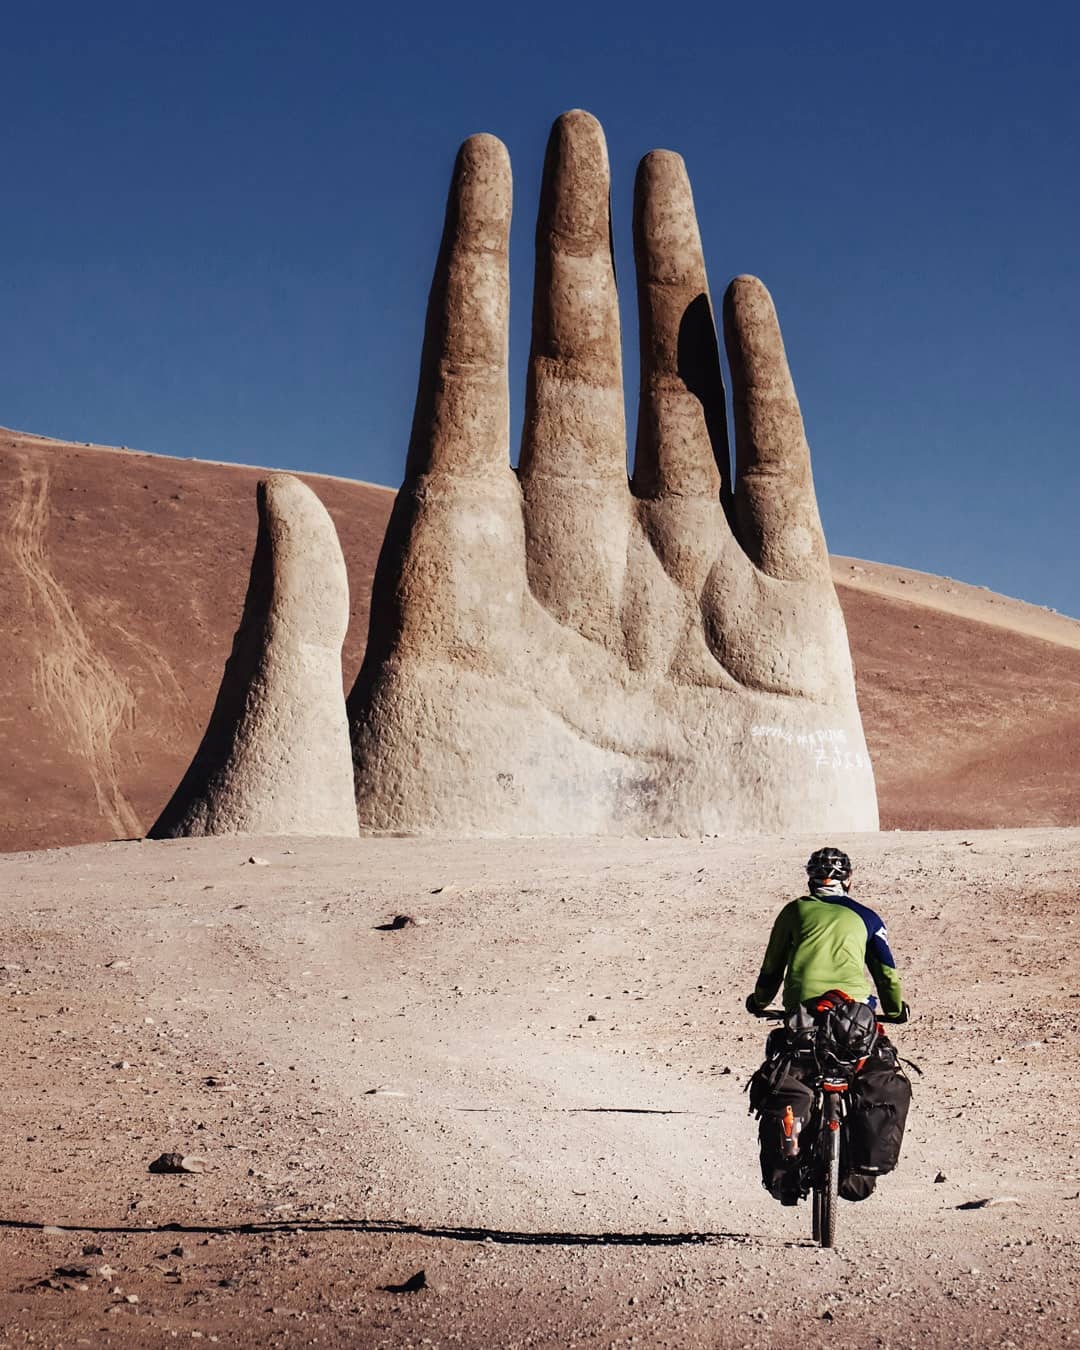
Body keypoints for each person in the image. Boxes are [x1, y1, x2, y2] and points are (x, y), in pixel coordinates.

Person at [745, 847, 911, 1204]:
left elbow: (772, 968)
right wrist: (895, 1010)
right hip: (854, 1017)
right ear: (848, 878)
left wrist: (758, 1002)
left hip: (803, 1016)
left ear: (810, 878)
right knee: (869, 1071)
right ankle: (859, 1155)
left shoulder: (794, 911)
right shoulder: (866, 916)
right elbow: (887, 973)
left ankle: (792, 1135)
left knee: (794, 1072)